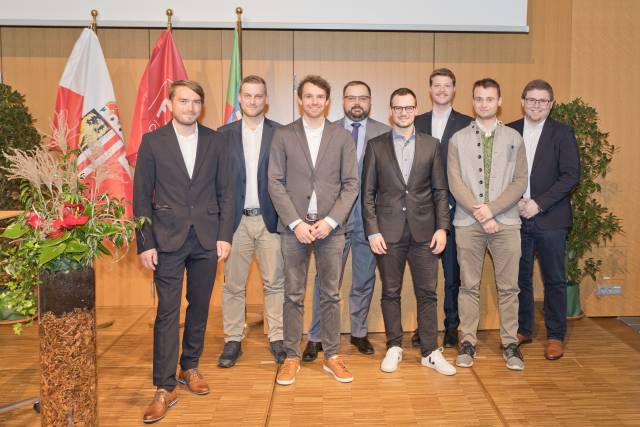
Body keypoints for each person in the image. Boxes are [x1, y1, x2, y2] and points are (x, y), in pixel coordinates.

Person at [134, 80, 234, 423]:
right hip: (167, 239)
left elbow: (227, 193)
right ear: (170, 104)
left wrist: (225, 236)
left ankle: (190, 367)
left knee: (201, 307)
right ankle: (164, 386)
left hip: (207, 238)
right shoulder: (153, 142)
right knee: (167, 312)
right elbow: (140, 196)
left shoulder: (216, 141)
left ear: (201, 106)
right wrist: (144, 243)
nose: (189, 107)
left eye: (195, 102)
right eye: (183, 101)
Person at [268, 75, 359, 385]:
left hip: (331, 229)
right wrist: (295, 223)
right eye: (309, 96)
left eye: (320, 96)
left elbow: (351, 184)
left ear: (327, 101)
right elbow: (275, 182)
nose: (314, 101)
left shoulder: (342, 137)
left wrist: (330, 221)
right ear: (300, 99)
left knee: (331, 294)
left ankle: (332, 356)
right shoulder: (283, 135)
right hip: (293, 229)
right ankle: (291, 356)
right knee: (293, 294)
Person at [361, 87, 455, 375]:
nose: (403, 112)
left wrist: (443, 228)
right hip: (387, 233)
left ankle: (429, 352)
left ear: (416, 109)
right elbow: (367, 194)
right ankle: (394, 346)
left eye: (409, 107)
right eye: (398, 107)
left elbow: (440, 191)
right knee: (390, 292)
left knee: (427, 293)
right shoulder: (376, 145)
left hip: (425, 232)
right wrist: (372, 231)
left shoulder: (431, 144)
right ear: (391, 111)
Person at [303, 80, 390, 361]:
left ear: (370, 102)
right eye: (351, 97)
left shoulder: (384, 133)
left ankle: (359, 332)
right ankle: (316, 336)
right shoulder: (327, 131)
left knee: (364, 279)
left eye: (362, 98)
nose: (357, 102)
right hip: (333, 219)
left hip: (369, 221)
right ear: (341, 101)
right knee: (326, 281)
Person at [447, 78, 528, 371]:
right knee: (468, 285)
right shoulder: (457, 139)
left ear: (499, 101)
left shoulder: (513, 138)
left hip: (507, 223)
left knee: (509, 287)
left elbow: (520, 181)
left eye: (489, 99)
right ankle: (467, 341)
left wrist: (492, 210)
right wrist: (480, 213)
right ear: (473, 101)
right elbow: (455, 182)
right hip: (467, 223)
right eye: (479, 99)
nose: (484, 104)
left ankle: (510, 343)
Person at [507, 79, 580, 360]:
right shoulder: (509, 130)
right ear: (523, 101)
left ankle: (555, 336)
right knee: (519, 278)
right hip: (516, 217)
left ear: (550, 104)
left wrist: (538, 203)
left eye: (543, 101)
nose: (536, 105)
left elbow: (571, 175)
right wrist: (514, 202)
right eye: (532, 100)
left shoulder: (562, 132)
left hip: (551, 218)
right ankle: (524, 328)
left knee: (554, 280)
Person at [216, 75, 286, 368]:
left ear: (266, 99)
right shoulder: (222, 134)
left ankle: (278, 338)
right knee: (233, 285)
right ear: (240, 98)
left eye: (259, 96)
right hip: (236, 223)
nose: (253, 101)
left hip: (270, 221)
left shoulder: (281, 133)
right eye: (248, 96)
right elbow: (216, 181)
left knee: (275, 283)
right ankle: (233, 340)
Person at [413, 68, 472, 348]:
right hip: (421, 211)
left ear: (454, 89)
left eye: (447, 86)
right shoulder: (416, 121)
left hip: (456, 208)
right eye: (436, 85)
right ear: (430, 89)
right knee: (424, 275)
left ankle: (451, 326)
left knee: (452, 274)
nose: (441, 90)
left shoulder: (467, 123)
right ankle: (423, 328)